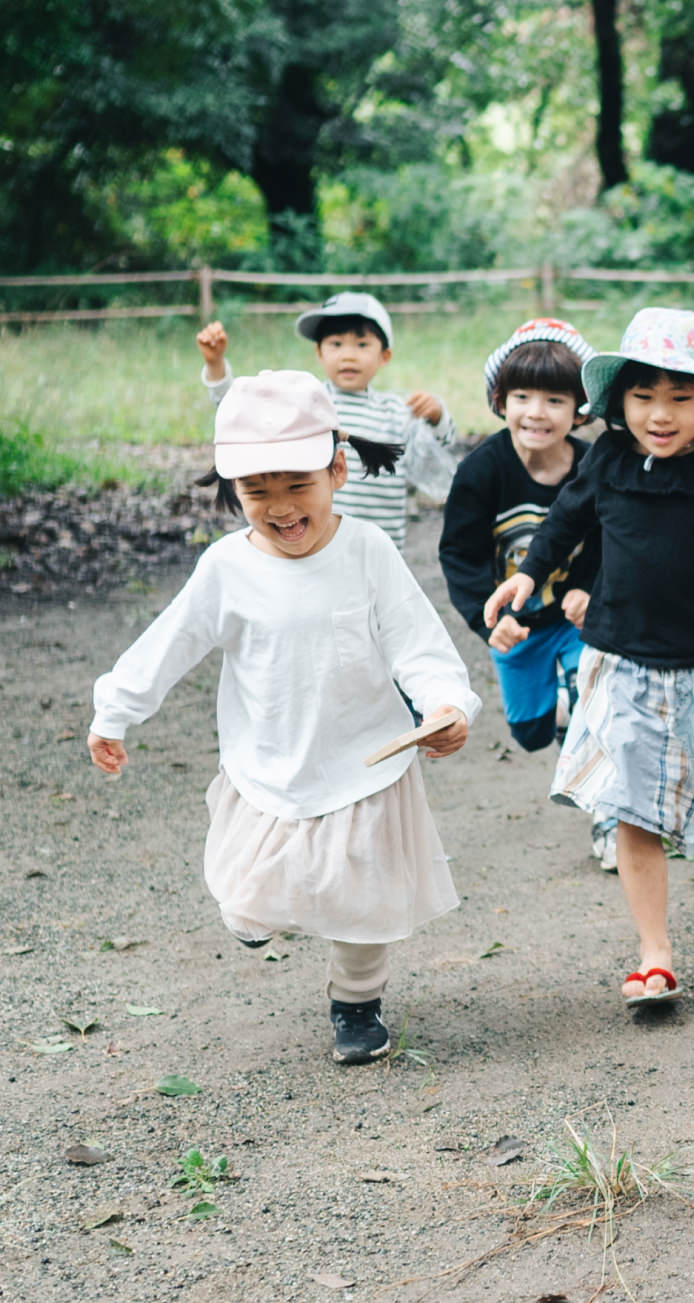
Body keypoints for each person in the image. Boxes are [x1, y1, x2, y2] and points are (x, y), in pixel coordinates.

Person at [88, 370, 478, 1065]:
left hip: (366, 760)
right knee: (248, 893)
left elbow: (418, 643)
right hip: (266, 759)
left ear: (338, 469)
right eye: (256, 491)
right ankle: (255, 913)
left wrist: (448, 704)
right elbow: (170, 642)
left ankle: (356, 1004)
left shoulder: (367, 552)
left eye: (297, 485)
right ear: (233, 491)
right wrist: (115, 712)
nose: (279, 507)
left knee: (363, 893)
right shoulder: (226, 567)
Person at [484, 308, 694, 1009]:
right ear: (620, 402)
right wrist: (525, 576)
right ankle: (655, 955)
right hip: (622, 658)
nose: (660, 415)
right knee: (631, 806)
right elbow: (565, 522)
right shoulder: (605, 458)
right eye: (644, 398)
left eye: (679, 398)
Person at [438, 318, 617, 868]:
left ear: (580, 410)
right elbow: (460, 555)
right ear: (499, 400)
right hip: (514, 625)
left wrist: (589, 587)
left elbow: (616, 536)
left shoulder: (594, 464)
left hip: (576, 617)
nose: (536, 412)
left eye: (554, 400)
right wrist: (485, 619)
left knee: (592, 697)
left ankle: (609, 815)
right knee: (531, 730)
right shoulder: (481, 471)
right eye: (522, 397)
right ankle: (563, 723)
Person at [196, 292, 457, 549]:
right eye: (336, 344)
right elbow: (241, 414)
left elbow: (438, 450)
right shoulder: (304, 403)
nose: (348, 355)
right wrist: (215, 365)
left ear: (384, 356)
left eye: (362, 344)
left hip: (379, 548)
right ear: (319, 352)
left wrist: (436, 417)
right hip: (313, 543)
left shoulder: (396, 412)